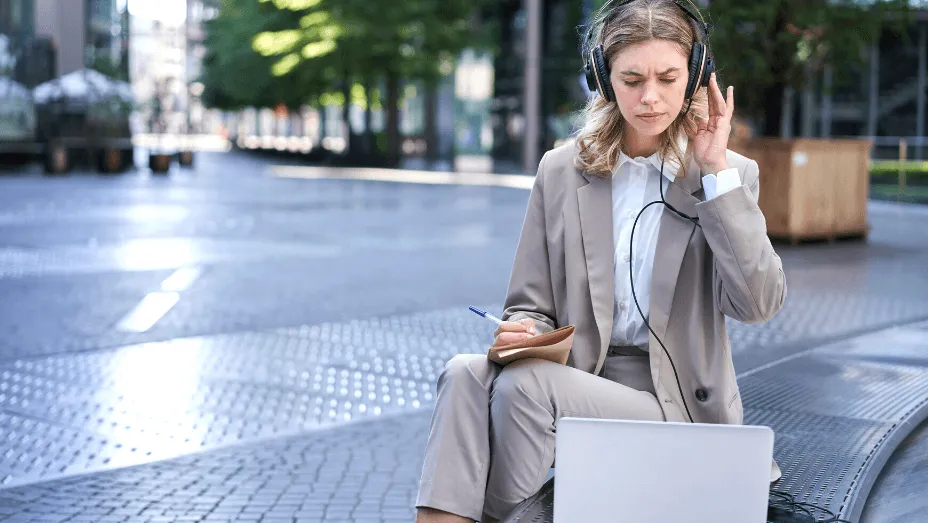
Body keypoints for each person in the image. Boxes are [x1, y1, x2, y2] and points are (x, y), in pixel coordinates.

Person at [415, 1, 787, 522]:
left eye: (667, 78)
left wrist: (714, 173)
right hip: (573, 375)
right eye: (631, 79)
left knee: (524, 386)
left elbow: (758, 304)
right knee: (462, 375)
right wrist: (525, 328)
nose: (650, 97)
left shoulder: (727, 176)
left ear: (695, 74)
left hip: (673, 402)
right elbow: (530, 302)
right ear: (603, 79)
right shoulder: (561, 170)